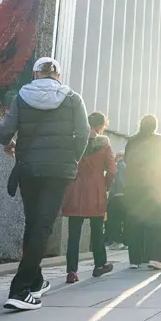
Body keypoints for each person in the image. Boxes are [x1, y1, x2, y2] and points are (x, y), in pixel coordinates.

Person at [0, 57, 90, 311]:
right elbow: (83, 134)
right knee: (43, 225)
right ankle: (21, 288)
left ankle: (36, 280)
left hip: (28, 168)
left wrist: (10, 144)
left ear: (36, 74)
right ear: (57, 75)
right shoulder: (72, 98)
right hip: (58, 170)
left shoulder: (22, 96)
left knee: (34, 222)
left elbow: (4, 133)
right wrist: (71, 159)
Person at [61, 112, 118, 283]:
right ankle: (99, 265)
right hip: (96, 191)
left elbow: (66, 165)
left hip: (76, 189)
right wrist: (105, 184)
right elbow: (113, 170)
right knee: (97, 232)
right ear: (101, 125)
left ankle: (72, 271)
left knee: (74, 234)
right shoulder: (105, 144)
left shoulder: (74, 142)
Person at [122, 114, 161, 270]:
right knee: (156, 223)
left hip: (133, 187)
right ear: (155, 126)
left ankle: (135, 260)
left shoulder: (132, 140)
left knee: (134, 223)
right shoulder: (159, 141)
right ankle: (155, 258)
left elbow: (127, 160)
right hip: (153, 187)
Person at [106, 152, 128, 250]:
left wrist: (119, 191)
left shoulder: (119, 165)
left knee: (113, 220)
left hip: (117, 196)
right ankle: (125, 241)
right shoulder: (127, 166)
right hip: (125, 196)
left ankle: (116, 241)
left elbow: (119, 179)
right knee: (124, 220)